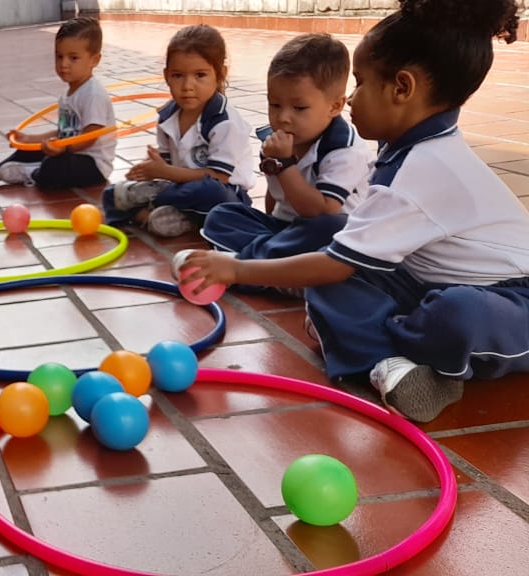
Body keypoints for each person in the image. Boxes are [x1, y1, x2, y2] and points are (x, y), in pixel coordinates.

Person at [179, 0, 529, 423]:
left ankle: (382, 348)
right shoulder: (406, 150)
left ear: (402, 88)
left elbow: (333, 264)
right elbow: (339, 261)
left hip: (512, 300)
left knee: (456, 312)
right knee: (331, 278)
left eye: (360, 84)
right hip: (421, 284)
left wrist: (236, 270)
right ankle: (396, 367)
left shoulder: (424, 168)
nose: (349, 100)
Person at [199, 33, 375, 293]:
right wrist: (270, 217)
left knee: (332, 226)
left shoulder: (344, 149)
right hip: (286, 231)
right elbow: (275, 194)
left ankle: (251, 270)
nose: (283, 118)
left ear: (335, 106)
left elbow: (320, 210)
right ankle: (279, 273)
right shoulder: (276, 142)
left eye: (299, 108)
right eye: (274, 104)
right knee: (222, 215)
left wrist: (285, 163)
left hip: (324, 236)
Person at [103, 24, 255, 237]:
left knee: (209, 191)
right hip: (179, 189)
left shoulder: (224, 121)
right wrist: (150, 170)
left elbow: (219, 177)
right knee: (112, 193)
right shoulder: (167, 117)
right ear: (166, 76)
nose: (187, 85)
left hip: (227, 195)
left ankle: (152, 207)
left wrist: (164, 173)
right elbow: (167, 169)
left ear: (220, 74)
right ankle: (174, 218)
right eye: (178, 76)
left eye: (200, 75)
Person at [0, 18, 117, 191]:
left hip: (92, 164)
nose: (64, 64)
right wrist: (30, 139)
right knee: (29, 150)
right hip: (69, 152)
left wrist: (63, 148)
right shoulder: (67, 95)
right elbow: (63, 132)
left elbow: (90, 136)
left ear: (94, 60)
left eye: (73, 58)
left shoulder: (92, 94)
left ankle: (31, 172)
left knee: (52, 166)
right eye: (59, 56)